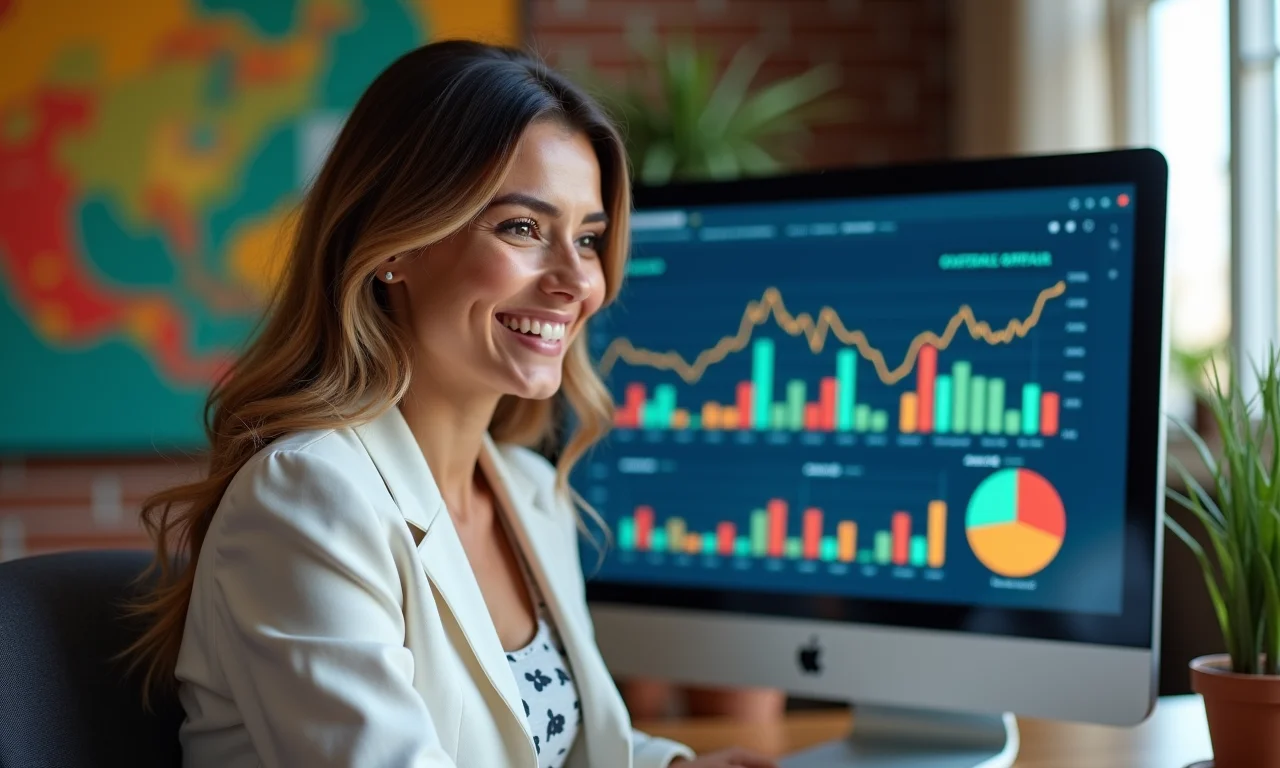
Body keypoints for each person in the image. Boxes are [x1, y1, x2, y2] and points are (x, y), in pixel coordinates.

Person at [124, 40, 778, 768]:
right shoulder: (305, 500)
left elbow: (550, 746)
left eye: (589, 238)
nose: (576, 281)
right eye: (522, 228)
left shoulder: (530, 493)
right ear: (394, 247)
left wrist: (672, 766)